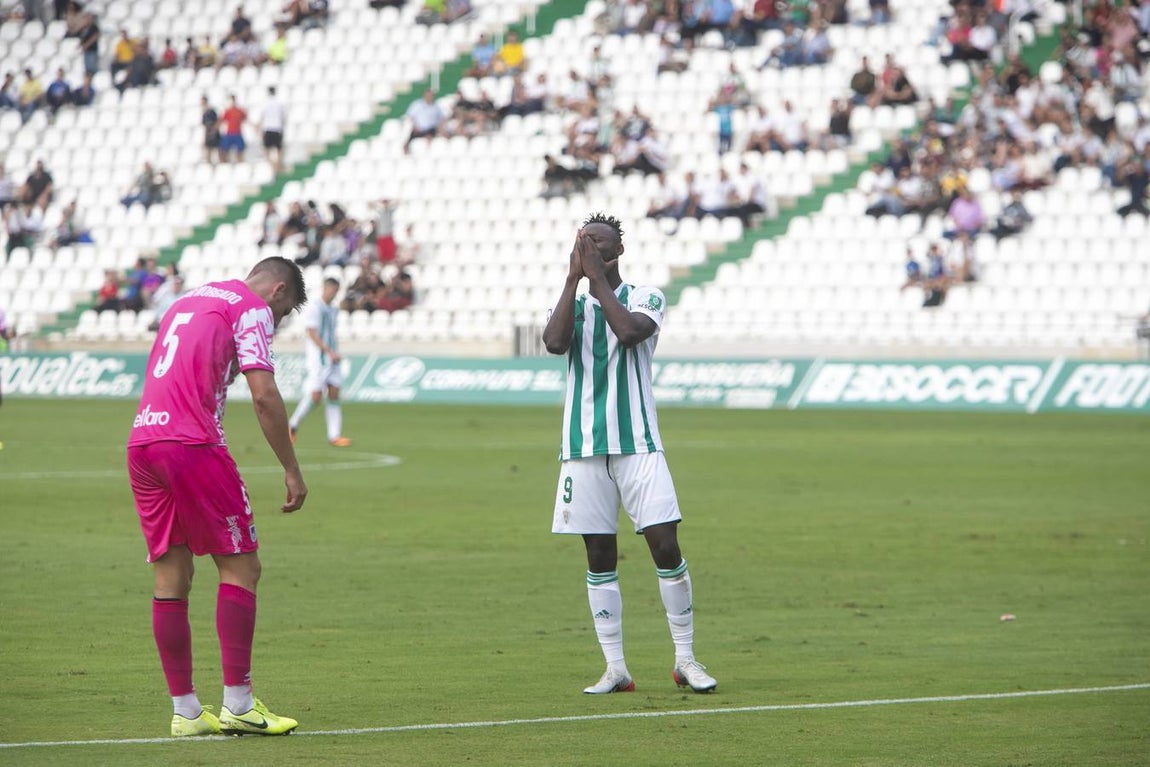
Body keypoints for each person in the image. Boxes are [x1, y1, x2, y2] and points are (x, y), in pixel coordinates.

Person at [126, 256, 308, 737]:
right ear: (278, 290)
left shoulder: (189, 299)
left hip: (143, 442)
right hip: (192, 444)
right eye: (284, 313)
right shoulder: (251, 308)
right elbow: (264, 395)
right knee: (241, 566)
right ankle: (239, 704)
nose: (277, 323)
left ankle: (185, 712)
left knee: (173, 575)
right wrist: (291, 468)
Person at [542, 213, 718, 696]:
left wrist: (597, 281)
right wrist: (572, 279)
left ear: (617, 250)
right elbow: (555, 343)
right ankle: (616, 668)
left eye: (598, 242)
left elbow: (629, 332)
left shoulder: (646, 296)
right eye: (583, 242)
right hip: (582, 446)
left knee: (665, 545)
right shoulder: (573, 303)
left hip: (638, 443)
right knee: (599, 555)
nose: (589, 247)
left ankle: (685, 659)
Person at [288, 277, 351, 447]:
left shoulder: (333, 309)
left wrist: (334, 351)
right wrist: (328, 351)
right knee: (315, 397)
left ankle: (334, 435)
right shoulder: (314, 308)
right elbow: (312, 333)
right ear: (324, 288)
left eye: (336, 291)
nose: (333, 293)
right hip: (319, 359)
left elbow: (331, 332)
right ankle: (292, 426)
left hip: (332, 357)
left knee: (334, 392)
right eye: (331, 289)